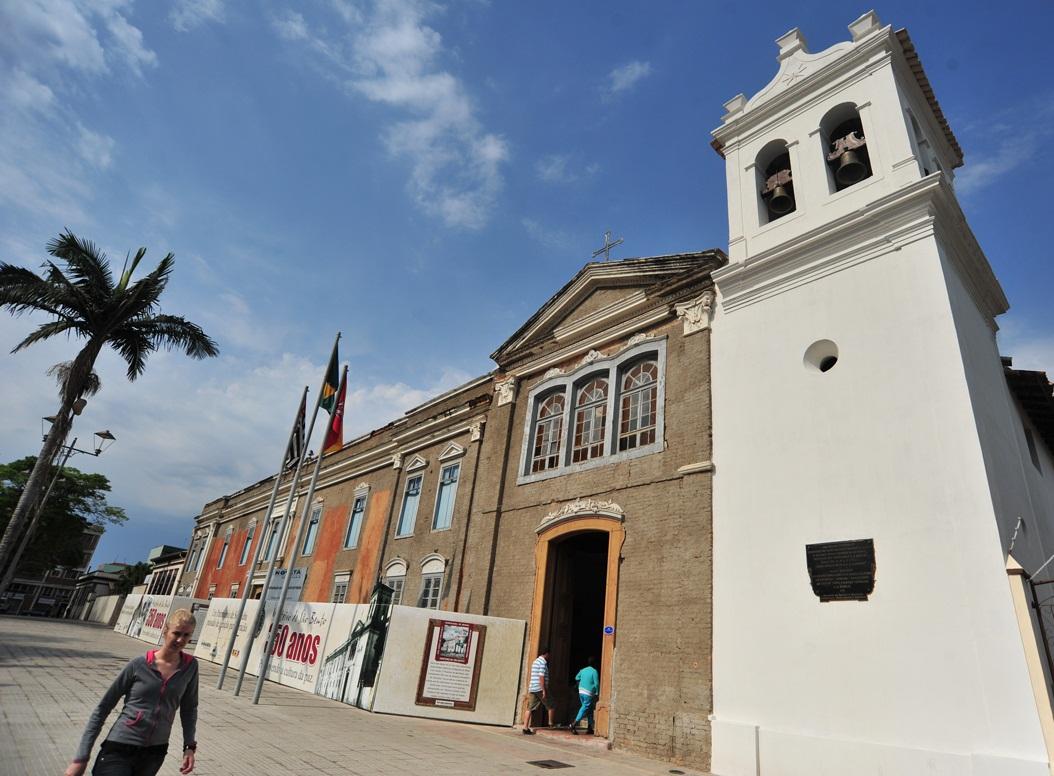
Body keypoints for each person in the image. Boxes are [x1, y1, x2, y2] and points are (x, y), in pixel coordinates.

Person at [65, 608, 200, 776]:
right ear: (165, 631)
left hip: (154, 753)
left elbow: (189, 710)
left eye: (186, 635)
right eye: (176, 633)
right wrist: (81, 758)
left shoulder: (190, 667)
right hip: (120, 747)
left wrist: (189, 747)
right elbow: (102, 709)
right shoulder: (139, 665)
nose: (180, 640)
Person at [521, 645, 554, 734]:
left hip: (533, 688)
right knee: (551, 705)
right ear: (546, 654)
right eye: (549, 655)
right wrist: (543, 689)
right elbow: (541, 676)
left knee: (529, 708)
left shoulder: (535, 661)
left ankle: (525, 727)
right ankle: (551, 725)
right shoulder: (543, 663)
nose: (549, 657)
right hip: (540, 688)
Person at [569, 656, 599, 735]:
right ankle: (574, 724)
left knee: (589, 709)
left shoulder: (583, 670)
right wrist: (597, 692)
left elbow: (576, 677)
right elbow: (596, 683)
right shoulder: (594, 671)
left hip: (581, 691)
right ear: (595, 663)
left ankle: (589, 727)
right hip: (588, 693)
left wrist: (580, 684)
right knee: (585, 707)